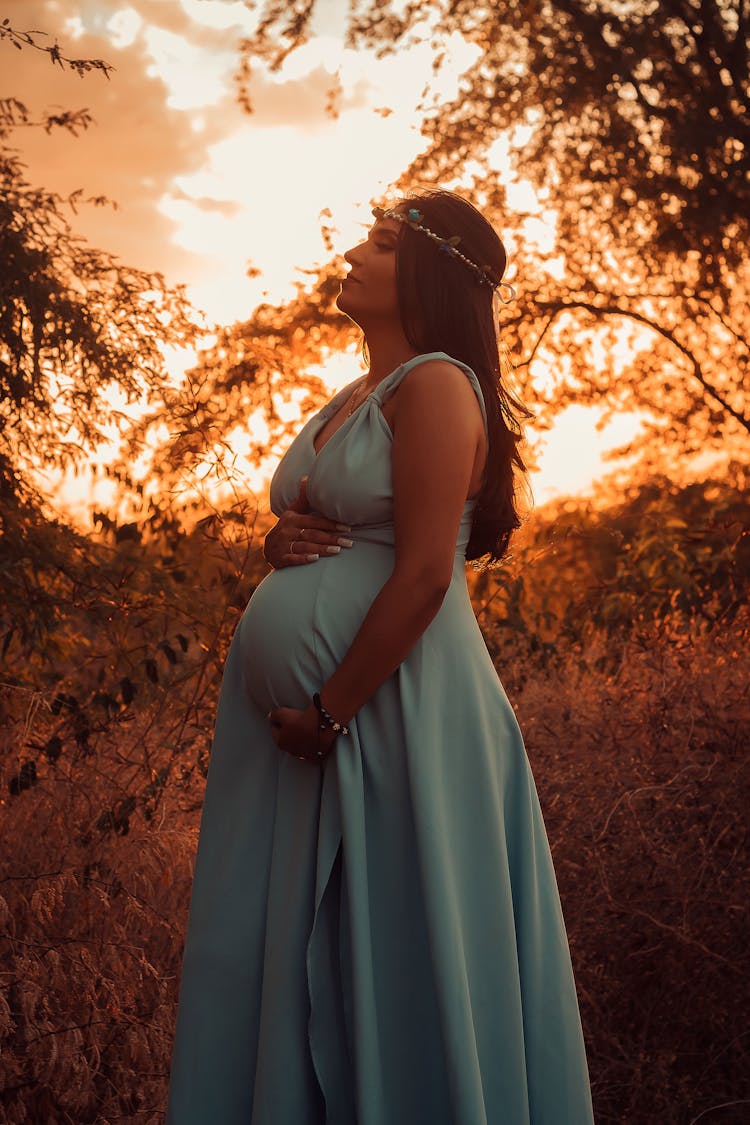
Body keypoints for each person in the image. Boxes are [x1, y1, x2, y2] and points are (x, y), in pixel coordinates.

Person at [165, 190, 595, 1124]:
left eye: (381, 242)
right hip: (307, 736)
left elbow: (425, 575)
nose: (352, 253)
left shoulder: (438, 382)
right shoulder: (356, 393)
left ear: (429, 274)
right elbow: (328, 531)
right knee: (274, 951)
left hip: (389, 714)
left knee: (396, 947)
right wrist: (277, 548)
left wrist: (330, 712)